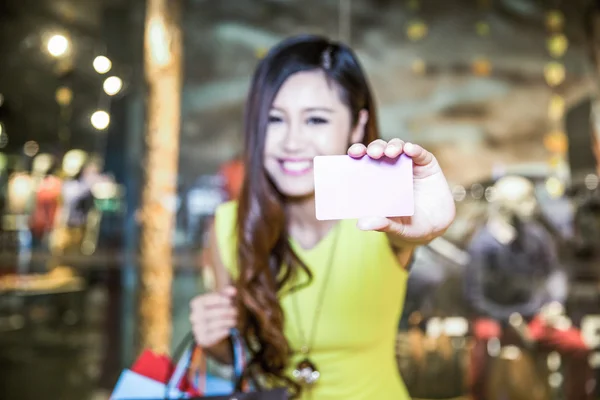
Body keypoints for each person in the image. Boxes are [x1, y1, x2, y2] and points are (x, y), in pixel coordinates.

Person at [189, 35, 455, 400]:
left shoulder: (382, 213)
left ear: (357, 126)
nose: (292, 142)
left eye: (315, 120)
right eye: (274, 120)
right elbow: (237, 352)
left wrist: (425, 226)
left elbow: (410, 234)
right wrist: (216, 339)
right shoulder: (229, 224)